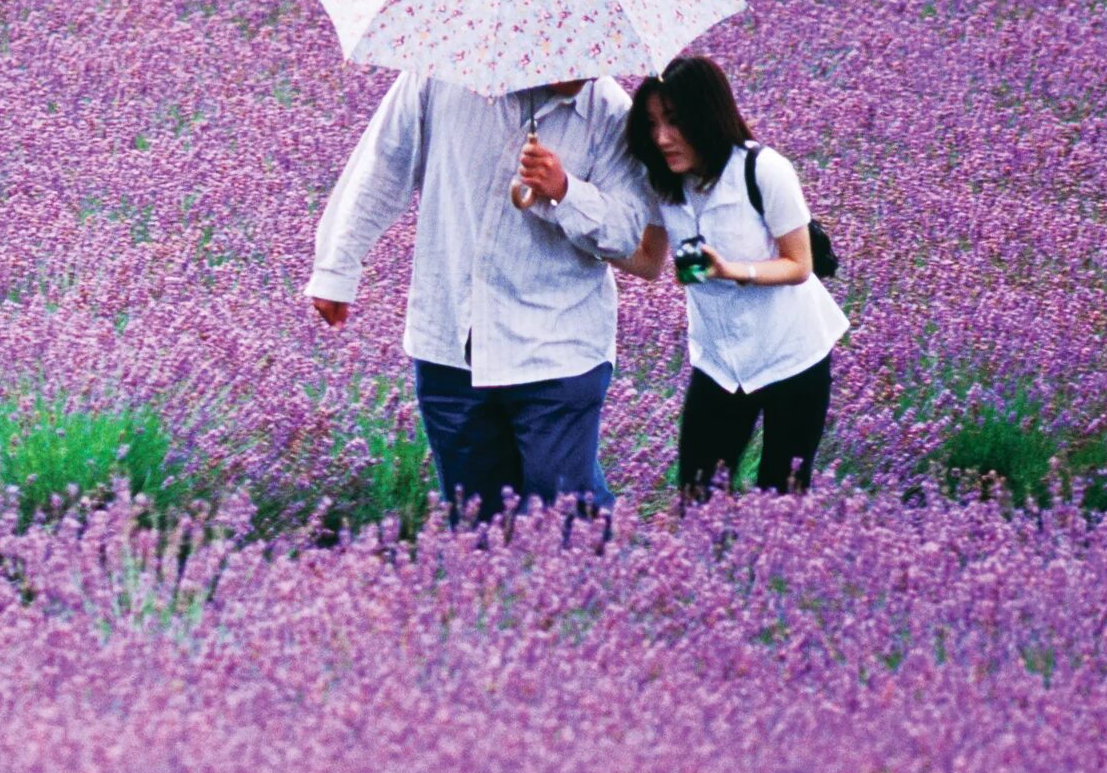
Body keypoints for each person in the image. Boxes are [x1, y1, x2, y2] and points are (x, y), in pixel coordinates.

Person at [306, 71, 650, 524]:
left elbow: (631, 234)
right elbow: (383, 167)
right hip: (450, 339)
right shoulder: (436, 78)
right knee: (474, 525)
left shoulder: (609, 113)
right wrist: (337, 268)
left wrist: (564, 192)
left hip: (560, 348)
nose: (586, 68)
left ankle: (599, 590)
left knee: (566, 518)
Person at [613, 56, 848, 501]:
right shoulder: (663, 183)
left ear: (707, 114)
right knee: (696, 496)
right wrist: (567, 213)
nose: (662, 138)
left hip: (792, 355)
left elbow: (798, 265)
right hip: (720, 361)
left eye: (675, 122)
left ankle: (774, 570)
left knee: (781, 498)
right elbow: (647, 262)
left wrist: (731, 270)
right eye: (652, 123)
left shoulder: (763, 170)